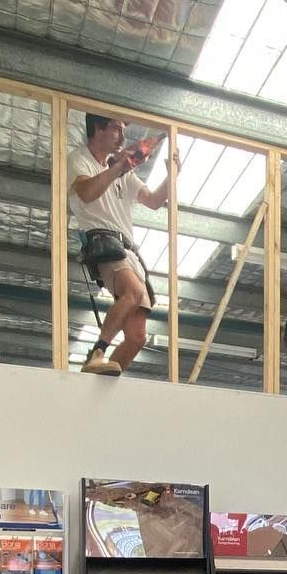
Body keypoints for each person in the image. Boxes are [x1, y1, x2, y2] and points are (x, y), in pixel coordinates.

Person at [69, 114, 180, 377]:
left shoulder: (119, 169)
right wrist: (118, 168)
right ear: (98, 129)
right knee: (132, 291)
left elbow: (153, 201)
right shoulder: (79, 159)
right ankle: (96, 352)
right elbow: (86, 193)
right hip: (103, 241)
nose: (122, 137)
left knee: (137, 336)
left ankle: (99, 380)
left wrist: (172, 175)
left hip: (128, 249)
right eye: (116, 128)